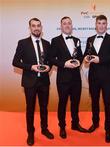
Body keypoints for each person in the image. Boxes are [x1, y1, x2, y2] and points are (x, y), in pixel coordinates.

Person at [12, 18, 54, 146]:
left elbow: (50, 61)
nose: (36, 28)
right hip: (30, 82)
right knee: (30, 109)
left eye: (38, 26)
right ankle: (30, 133)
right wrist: (31, 67)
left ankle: (44, 129)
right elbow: (15, 62)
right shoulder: (23, 43)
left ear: (41, 28)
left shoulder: (47, 44)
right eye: (33, 26)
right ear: (30, 28)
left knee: (44, 107)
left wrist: (49, 67)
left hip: (44, 82)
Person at [50, 16, 87, 139]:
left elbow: (81, 56)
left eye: (69, 23)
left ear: (72, 26)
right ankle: (62, 127)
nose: (67, 25)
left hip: (76, 78)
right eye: (64, 23)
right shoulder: (55, 40)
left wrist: (79, 62)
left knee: (75, 103)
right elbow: (51, 59)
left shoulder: (77, 40)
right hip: (63, 79)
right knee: (62, 104)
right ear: (61, 26)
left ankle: (75, 124)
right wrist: (64, 64)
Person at [84, 15, 110, 143]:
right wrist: (87, 58)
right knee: (94, 102)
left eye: (104, 23)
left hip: (107, 78)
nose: (101, 25)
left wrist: (100, 59)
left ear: (106, 25)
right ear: (96, 25)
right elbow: (87, 54)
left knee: (108, 103)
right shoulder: (90, 39)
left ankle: (108, 129)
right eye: (99, 23)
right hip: (93, 77)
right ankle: (95, 123)